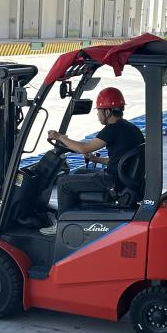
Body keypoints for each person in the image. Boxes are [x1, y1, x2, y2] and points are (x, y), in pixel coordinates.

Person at [41, 87, 145, 235]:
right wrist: (96, 159)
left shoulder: (112, 129)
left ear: (107, 112)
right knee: (80, 171)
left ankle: (61, 226)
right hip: (122, 179)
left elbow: (84, 148)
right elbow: (120, 162)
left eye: (99, 111)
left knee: (64, 183)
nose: (97, 114)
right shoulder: (131, 128)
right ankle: (76, 215)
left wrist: (60, 137)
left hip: (112, 182)